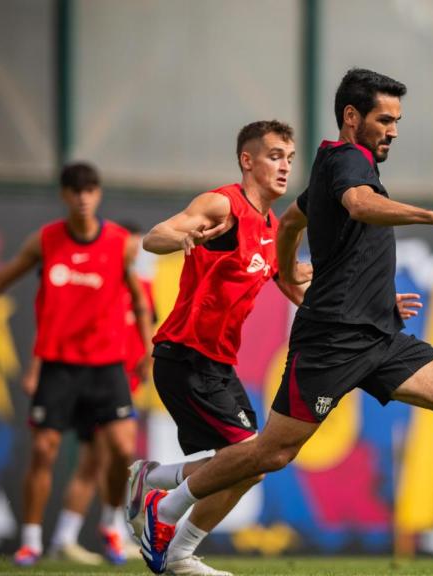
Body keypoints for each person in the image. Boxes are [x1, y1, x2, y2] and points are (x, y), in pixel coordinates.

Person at [136, 68, 433, 575]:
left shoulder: (329, 162)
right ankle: (163, 507)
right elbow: (360, 205)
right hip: (333, 340)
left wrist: (285, 270)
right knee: (270, 454)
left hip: (380, 335)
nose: (393, 129)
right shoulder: (347, 162)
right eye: (384, 119)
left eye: (397, 120)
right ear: (352, 117)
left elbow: (294, 221)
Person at [0, 163, 152, 566]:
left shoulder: (119, 242)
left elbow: (140, 303)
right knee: (44, 449)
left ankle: (110, 523)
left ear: (99, 194)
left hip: (107, 364)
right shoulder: (46, 241)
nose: (83, 198)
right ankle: (31, 540)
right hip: (58, 365)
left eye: (90, 190)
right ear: (64, 196)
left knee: (123, 448)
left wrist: (145, 350)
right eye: (75, 191)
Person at [124, 119, 314, 576]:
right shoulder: (223, 205)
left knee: (251, 465)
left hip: (218, 364)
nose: (285, 166)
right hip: (185, 355)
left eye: (289, 157)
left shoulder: (271, 227)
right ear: (247, 161)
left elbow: (293, 288)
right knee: (249, 459)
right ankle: (169, 528)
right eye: (273, 156)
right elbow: (156, 236)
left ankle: (155, 486)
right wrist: (183, 236)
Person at [22, 221, 152, 565]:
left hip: (119, 386)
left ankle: (91, 532)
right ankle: (76, 535)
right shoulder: (96, 283)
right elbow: (56, 323)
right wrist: (36, 369)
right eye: (131, 247)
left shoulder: (141, 289)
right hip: (89, 381)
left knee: (112, 458)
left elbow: (144, 331)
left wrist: (147, 360)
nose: (134, 254)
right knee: (92, 463)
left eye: (137, 249)